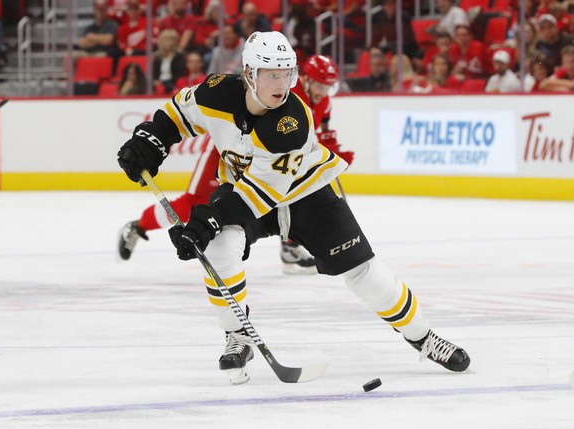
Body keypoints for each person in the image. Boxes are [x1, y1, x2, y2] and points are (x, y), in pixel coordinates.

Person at [116, 31, 470, 385]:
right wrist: (151, 139)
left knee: (365, 273)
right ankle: (237, 335)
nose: (282, 84)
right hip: (246, 189)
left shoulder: (291, 123)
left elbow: (258, 194)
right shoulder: (215, 91)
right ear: (249, 74)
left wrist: (210, 219)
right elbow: (178, 114)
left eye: (287, 73)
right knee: (220, 247)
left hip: (306, 195)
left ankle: (423, 337)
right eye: (272, 74)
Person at [117, 54, 353, 275]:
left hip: (266, 159)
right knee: (197, 202)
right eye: (320, 85)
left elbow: (313, 136)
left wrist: (330, 148)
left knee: (292, 193)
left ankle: (289, 247)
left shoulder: (323, 102)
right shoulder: (283, 91)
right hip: (231, 154)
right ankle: (139, 226)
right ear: (306, 79)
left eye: (328, 86)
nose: (323, 92)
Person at [152, 29, 186, 93]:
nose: (170, 42)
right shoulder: (158, 57)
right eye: (167, 40)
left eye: (172, 40)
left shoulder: (179, 56)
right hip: (159, 84)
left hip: (173, 84)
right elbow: (154, 73)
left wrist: (163, 82)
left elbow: (180, 74)